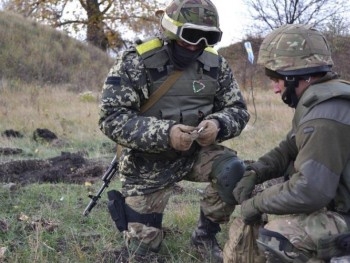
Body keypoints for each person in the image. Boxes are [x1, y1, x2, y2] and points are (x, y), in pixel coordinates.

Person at [98, 0, 250, 261]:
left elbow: (237, 109)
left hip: (195, 155)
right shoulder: (136, 63)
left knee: (232, 170)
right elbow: (111, 117)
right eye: (190, 36)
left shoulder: (215, 66)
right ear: (171, 31)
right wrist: (166, 134)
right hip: (146, 164)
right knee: (142, 252)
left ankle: (205, 235)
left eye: (208, 37)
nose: (196, 45)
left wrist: (217, 125)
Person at [223, 24, 350, 263]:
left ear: (296, 77)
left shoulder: (324, 116)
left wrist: (257, 204)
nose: (274, 89)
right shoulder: (322, 100)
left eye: (276, 79)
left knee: (282, 237)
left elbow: (310, 191)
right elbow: (289, 148)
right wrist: (256, 171)